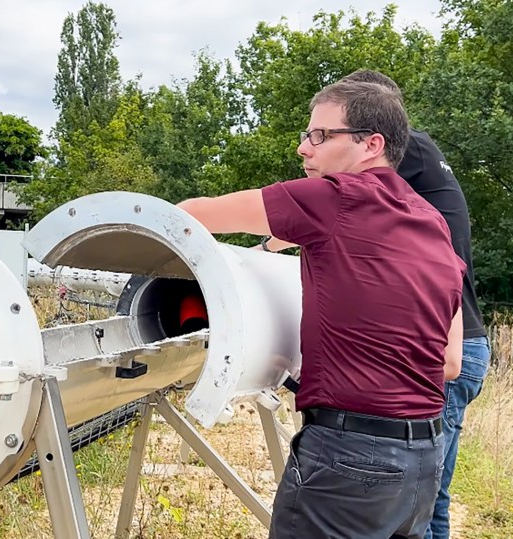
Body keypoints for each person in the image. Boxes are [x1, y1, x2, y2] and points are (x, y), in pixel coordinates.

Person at [176, 79, 465, 538]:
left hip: (350, 463)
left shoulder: (336, 198)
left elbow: (190, 215)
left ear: (371, 144)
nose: (302, 149)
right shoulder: (433, 224)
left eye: (319, 136)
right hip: (423, 461)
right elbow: (450, 363)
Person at [340, 69, 492, 539]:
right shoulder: (418, 169)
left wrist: (268, 245)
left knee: (409, 507)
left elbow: (331, 196)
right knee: (429, 501)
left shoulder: (410, 153)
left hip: (442, 351)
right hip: (461, 345)